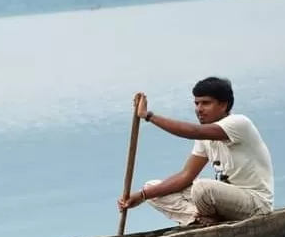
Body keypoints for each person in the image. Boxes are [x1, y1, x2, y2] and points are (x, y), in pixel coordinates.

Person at [117, 77, 275, 227]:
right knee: (151, 188)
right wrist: (141, 196)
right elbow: (186, 176)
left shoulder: (239, 123)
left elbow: (194, 131)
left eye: (206, 103)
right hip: (226, 202)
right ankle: (198, 219)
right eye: (197, 103)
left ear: (223, 105)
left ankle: (209, 218)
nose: (199, 109)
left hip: (255, 204)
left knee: (202, 189)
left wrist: (148, 116)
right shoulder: (205, 138)